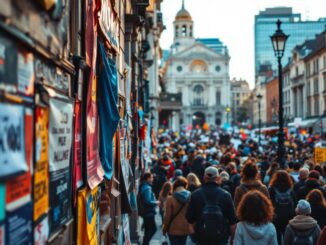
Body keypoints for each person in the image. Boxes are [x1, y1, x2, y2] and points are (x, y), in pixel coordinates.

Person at [186, 166, 237, 245]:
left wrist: (194, 238)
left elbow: (189, 220)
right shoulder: (226, 195)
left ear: (204, 177)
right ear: (217, 178)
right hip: (221, 238)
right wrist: (232, 240)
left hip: (202, 238)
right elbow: (233, 222)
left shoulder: (195, 195)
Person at [163, 177, 194, 245]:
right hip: (185, 227)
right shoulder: (191, 197)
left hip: (173, 228)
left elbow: (167, 216)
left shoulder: (170, 199)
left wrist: (164, 229)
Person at [268, 170, 296, 245]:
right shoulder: (291, 189)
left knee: (277, 236)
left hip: (276, 216)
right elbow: (295, 202)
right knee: (287, 236)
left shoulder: (272, 189)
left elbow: (269, 203)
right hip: (289, 216)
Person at [139, 172, 160, 245]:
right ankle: (145, 243)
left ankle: (145, 243)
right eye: (151, 177)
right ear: (147, 178)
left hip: (146, 212)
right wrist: (156, 202)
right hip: (148, 212)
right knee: (153, 229)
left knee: (147, 230)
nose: (152, 179)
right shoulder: (147, 188)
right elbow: (147, 201)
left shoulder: (144, 186)